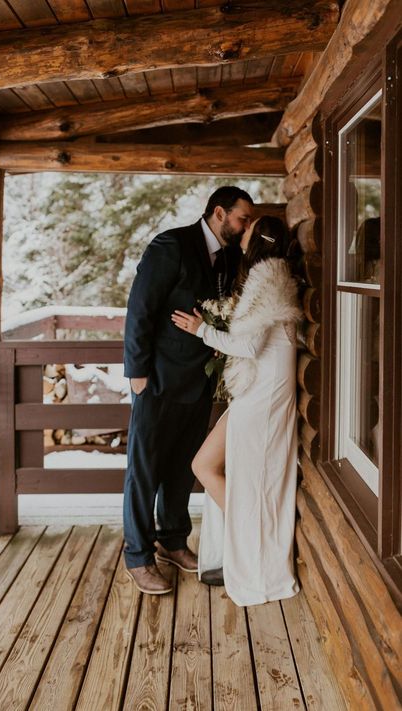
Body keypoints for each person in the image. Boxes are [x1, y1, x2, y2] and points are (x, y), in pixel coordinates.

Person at [123, 186, 254, 594]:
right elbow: (140, 308)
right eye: (241, 218)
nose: (245, 225)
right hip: (158, 379)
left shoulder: (231, 258)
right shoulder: (171, 245)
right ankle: (139, 555)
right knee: (145, 470)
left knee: (183, 467)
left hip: (200, 382)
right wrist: (137, 371)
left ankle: (173, 541)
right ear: (219, 212)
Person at [171, 215, 302, 605]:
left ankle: (252, 546)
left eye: (248, 229)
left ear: (258, 239)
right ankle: (244, 538)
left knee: (230, 475)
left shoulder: (270, 281)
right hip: (253, 392)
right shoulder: (265, 279)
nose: (242, 234)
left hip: (264, 400)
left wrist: (203, 331)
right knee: (204, 465)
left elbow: (248, 347)